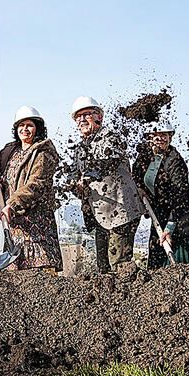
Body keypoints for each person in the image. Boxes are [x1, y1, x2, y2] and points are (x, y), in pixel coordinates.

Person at [65, 96, 144, 273]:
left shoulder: (110, 138)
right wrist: (72, 184)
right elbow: (72, 174)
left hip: (120, 211)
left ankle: (129, 297)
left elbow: (108, 162)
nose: (82, 120)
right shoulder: (79, 149)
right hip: (99, 214)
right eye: (78, 117)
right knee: (104, 268)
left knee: (119, 264)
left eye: (87, 115)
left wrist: (87, 178)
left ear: (99, 117)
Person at [0, 105, 62, 271]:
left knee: (37, 274)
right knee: (14, 275)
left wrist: (11, 205)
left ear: (38, 129)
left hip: (37, 223)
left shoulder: (43, 153)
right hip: (15, 224)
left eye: (30, 125)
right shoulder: (11, 150)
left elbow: (36, 184)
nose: (25, 129)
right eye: (21, 125)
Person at [131, 120, 189, 268]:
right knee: (156, 262)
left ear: (170, 137)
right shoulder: (144, 155)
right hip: (158, 214)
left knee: (183, 266)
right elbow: (136, 174)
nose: (160, 139)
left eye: (164, 135)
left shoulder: (175, 161)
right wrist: (140, 188)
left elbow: (180, 197)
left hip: (181, 220)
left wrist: (169, 228)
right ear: (149, 138)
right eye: (155, 135)